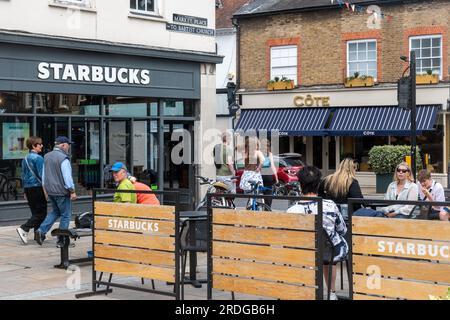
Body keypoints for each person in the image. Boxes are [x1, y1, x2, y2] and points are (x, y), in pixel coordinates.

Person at [287, 166, 348, 300]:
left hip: (303, 254)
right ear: (319, 184)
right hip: (328, 252)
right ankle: (331, 293)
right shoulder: (330, 205)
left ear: (300, 184)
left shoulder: (291, 211)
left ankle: (308, 290)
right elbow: (342, 230)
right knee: (330, 249)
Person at [35, 136, 77, 246]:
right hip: (61, 192)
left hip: (51, 191)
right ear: (63, 145)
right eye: (68, 145)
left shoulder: (47, 156)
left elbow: (44, 176)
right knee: (66, 215)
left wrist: (45, 190)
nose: (68, 147)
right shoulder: (63, 158)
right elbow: (67, 177)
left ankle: (41, 231)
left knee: (55, 212)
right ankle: (62, 240)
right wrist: (72, 191)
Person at [355, 162, 419, 218]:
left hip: (403, 215)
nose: (400, 172)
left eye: (404, 171)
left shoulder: (413, 186)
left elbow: (409, 207)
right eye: (398, 170)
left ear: (408, 173)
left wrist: (394, 213)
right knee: (363, 213)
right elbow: (385, 202)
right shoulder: (392, 185)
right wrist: (386, 211)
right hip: (388, 212)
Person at [16, 136, 47, 244]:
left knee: (35, 212)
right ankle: (24, 228)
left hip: (28, 189)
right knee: (42, 213)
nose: (42, 146)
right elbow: (43, 176)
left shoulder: (25, 158)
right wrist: (46, 191)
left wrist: (25, 191)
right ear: (34, 146)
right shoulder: (39, 158)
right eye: (40, 144)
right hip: (37, 188)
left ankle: (37, 235)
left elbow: (23, 175)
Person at [260, 138, 279, 207]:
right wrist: (276, 177)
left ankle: (260, 204)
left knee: (259, 191)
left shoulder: (259, 153)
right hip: (268, 174)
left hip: (260, 173)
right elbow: (273, 166)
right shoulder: (269, 154)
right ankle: (267, 207)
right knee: (268, 191)